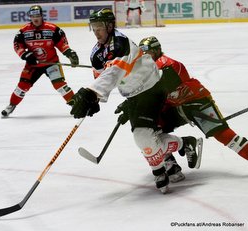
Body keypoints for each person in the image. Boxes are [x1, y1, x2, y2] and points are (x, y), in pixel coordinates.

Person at [68, 8, 203, 194]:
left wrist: (90, 93)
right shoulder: (96, 54)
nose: (96, 32)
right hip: (132, 94)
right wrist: (95, 99)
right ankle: (180, 149)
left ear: (109, 26)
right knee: (148, 137)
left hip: (152, 88)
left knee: (143, 137)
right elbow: (101, 76)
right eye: (94, 27)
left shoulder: (121, 43)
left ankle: (160, 167)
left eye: (99, 27)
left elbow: (115, 71)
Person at [118, 36, 248, 169]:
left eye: (148, 52)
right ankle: (173, 163)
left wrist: (133, 104)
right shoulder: (148, 70)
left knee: (223, 135)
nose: (145, 56)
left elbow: (154, 90)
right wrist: (130, 105)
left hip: (196, 102)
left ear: (157, 51)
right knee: (149, 129)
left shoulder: (168, 65)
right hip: (174, 106)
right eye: (142, 53)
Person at [1, 5, 79, 117]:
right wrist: (25, 54)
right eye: (33, 16)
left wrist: (70, 54)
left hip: (51, 63)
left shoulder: (53, 29)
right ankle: (11, 105)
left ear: (42, 16)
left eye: (38, 15)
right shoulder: (23, 31)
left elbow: (62, 44)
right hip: (33, 65)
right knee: (22, 86)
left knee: (60, 85)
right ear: (30, 17)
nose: (35, 18)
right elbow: (17, 45)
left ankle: (76, 105)